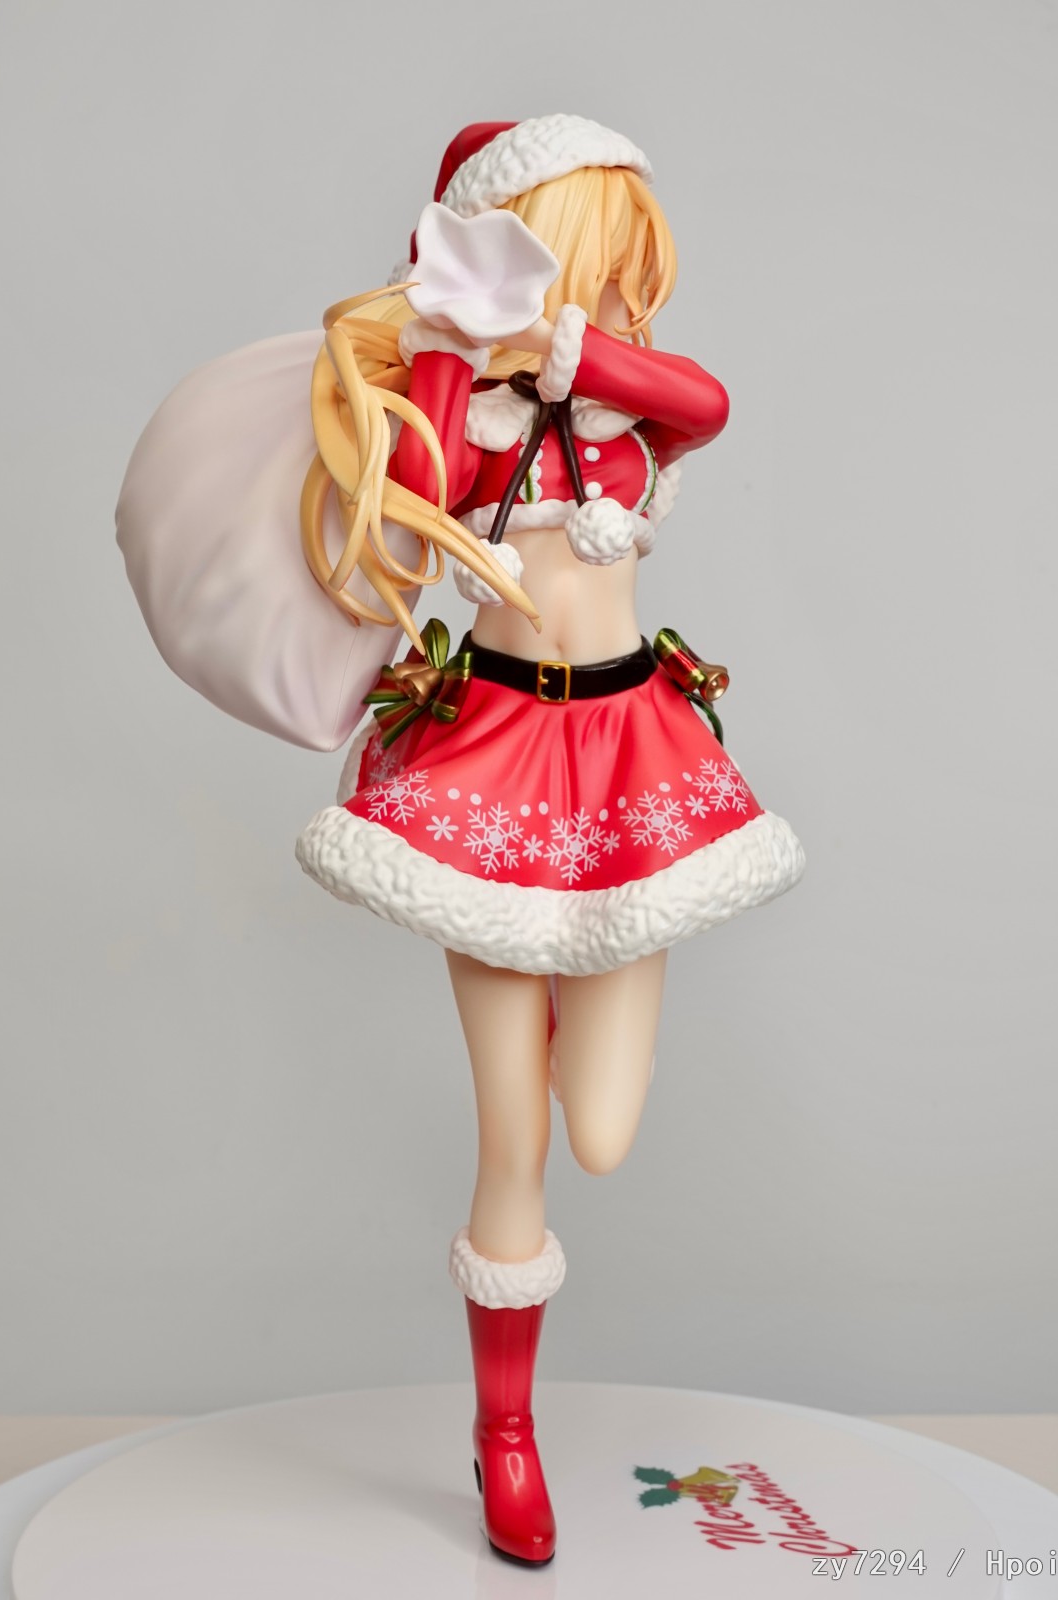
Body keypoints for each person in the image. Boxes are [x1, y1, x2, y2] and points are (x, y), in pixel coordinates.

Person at [292, 115, 806, 1566]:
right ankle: (502, 1433)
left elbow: (704, 398)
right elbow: (418, 501)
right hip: (499, 758)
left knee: (606, 1133)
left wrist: (565, 343)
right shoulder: (463, 421)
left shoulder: (632, 409)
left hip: (632, 749)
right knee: (512, 1142)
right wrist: (449, 339)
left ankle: (569, 975)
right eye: (609, 251)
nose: (631, 283)